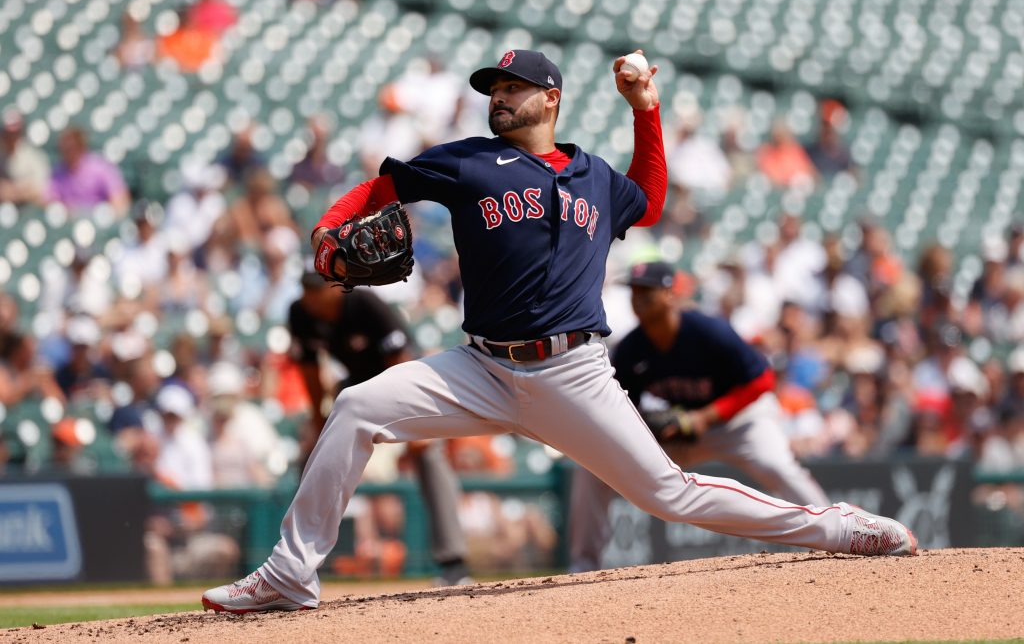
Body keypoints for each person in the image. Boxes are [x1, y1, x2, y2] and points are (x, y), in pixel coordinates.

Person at [202, 48, 915, 614]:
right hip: (479, 368)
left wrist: (646, 109)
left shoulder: (595, 176)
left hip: (572, 371)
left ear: (551, 98)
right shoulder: (467, 160)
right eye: (493, 87)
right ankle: (292, 571)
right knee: (358, 407)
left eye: (513, 86)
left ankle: (838, 525)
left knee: (671, 492)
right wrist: (328, 230)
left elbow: (652, 199)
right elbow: (380, 188)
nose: (499, 96)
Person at [568, 261, 830, 572]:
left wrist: (706, 416)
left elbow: (762, 380)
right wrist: (651, 423)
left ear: (670, 295)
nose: (637, 300)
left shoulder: (706, 330)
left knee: (777, 465)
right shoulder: (631, 349)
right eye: (634, 293)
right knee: (594, 469)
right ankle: (584, 562)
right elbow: (617, 405)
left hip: (738, 422)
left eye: (646, 292)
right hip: (682, 431)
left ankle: (836, 528)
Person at [286, 267, 472, 586]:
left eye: (317, 288)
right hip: (356, 387)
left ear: (336, 287)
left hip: (404, 379)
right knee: (312, 456)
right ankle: (297, 562)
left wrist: (417, 426)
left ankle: (453, 562)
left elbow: (401, 360)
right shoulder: (300, 312)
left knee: (428, 454)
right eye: (307, 288)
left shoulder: (365, 305)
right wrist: (318, 424)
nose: (311, 296)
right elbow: (310, 372)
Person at [48, 126, 130, 215]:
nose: (68, 150)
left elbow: (119, 200)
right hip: (70, 222)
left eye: (72, 146)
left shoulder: (101, 167)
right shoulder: (58, 172)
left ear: (81, 145)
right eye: (65, 147)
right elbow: (50, 201)